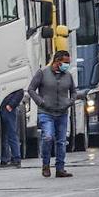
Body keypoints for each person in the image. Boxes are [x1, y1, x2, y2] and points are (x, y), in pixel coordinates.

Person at [27, 50, 76, 179]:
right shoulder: (42, 73)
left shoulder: (68, 76)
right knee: (48, 137)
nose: (67, 65)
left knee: (61, 141)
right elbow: (31, 89)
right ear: (57, 61)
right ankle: (46, 165)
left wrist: (70, 102)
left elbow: (74, 92)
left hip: (62, 113)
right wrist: (40, 102)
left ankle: (60, 168)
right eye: (65, 62)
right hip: (46, 112)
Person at [0, 89, 24, 168]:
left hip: (8, 108)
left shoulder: (15, 84)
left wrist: (11, 105)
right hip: (4, 106)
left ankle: (16, 158)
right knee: (4, 134)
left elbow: (20, 92)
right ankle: (6, 158)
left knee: (11, 133)